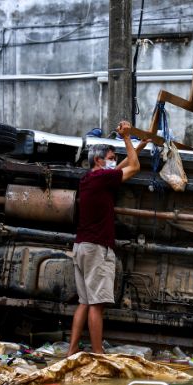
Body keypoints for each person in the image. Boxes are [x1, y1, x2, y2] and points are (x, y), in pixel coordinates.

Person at [67, 120, 142, 356]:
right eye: (110, 155)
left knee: (84, 302)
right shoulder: (103, 179)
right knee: (97, 306)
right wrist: (128, 138)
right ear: (99, 160)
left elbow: (119, 167)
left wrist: (139, 146)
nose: (112, 158)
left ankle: (71, 351)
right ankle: (98, 353)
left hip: (81, 247)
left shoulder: (89, 179)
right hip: (97, 249)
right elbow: (135, 168)